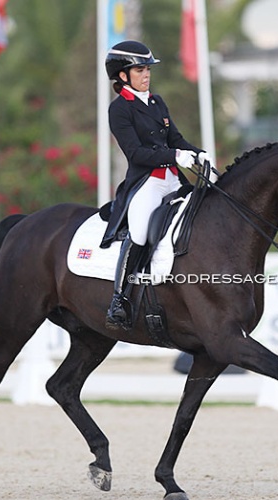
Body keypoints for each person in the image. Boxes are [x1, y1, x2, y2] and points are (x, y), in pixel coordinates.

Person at [101, 40, 214, 328]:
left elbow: (175, 139)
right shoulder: (120, 110)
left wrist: (198, 154)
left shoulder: (157, 102)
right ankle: (120, 299)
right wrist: (175, 155)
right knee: (139, 232)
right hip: (147, 183)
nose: (147, 74)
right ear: (123, 75)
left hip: (174, 180)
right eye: (140, 69)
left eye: (148, 69)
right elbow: (136, 153)